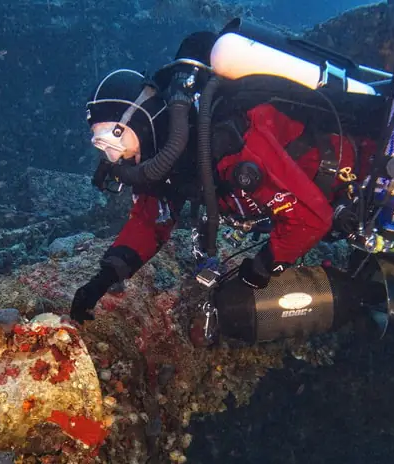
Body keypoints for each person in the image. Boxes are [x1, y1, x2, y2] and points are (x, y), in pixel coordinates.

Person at [70, 30, 376, 323]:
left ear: (142, 120)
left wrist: (258, 270)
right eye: (101, 146)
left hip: (366, 172)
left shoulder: (229, 138)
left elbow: (310, 220)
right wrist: (104, 278)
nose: (113, 158)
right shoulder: (166, 157)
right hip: (338, 200)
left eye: (114, 142)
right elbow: (149, 223)